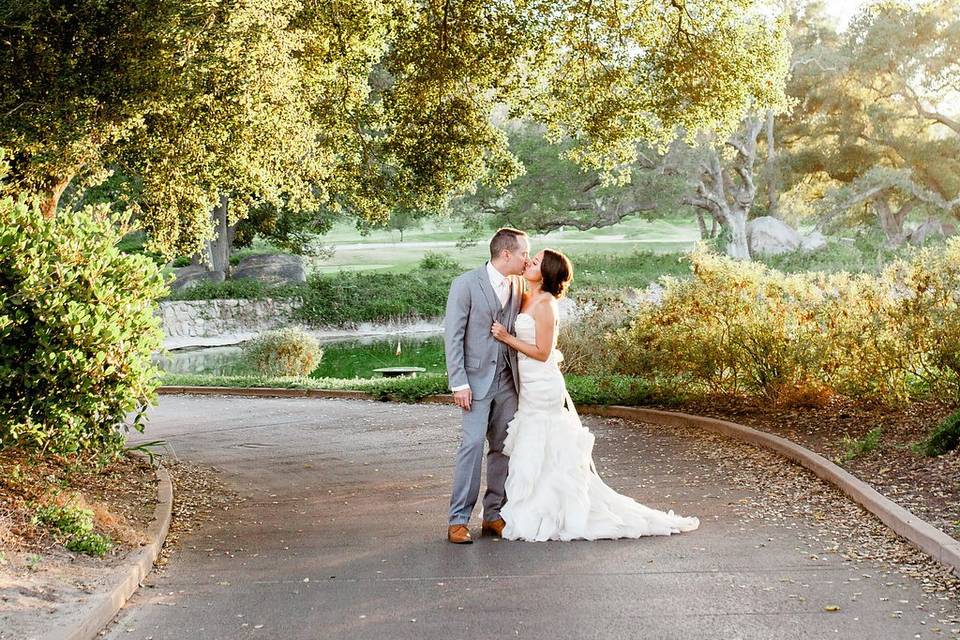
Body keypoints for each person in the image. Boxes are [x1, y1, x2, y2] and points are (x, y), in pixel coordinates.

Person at [490, 249, 699, 541]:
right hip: (527, 385)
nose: (529, 263)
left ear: (546, 272)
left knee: (545, 441)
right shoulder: (525, 295)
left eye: (535, 262)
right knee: (533, 442)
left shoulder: (546, 304)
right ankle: (535, 504)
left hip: (543, 384)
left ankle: (553, 510)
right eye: (531, 259)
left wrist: (507, 338)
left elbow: (543, 352)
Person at [443, 228, 530, 544]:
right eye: (523, 253)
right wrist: (459, 383)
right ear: (506, 254)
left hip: (508, 381)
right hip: (475, 383)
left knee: (503, 448)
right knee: (471, 447)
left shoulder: (518, 285)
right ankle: (458, 519)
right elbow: (453, 336)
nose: (527, 258)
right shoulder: (465, 284)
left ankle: (494, 515)